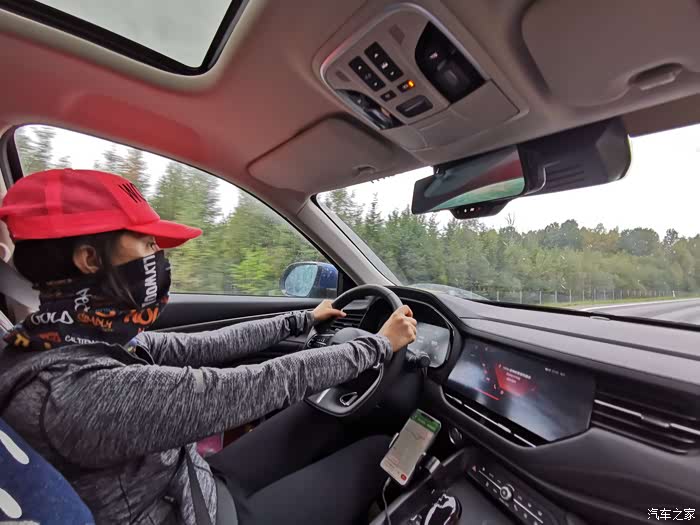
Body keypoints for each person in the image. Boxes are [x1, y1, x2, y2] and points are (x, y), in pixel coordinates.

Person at [0, 169, 418, 524]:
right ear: (90, 259)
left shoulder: (63, 339)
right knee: (376, 451)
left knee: (317, 419)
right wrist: (377, 346)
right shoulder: (71, 392)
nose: (158, 257)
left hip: (185, 482)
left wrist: (302, 319)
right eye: (147, 244)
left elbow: (205, 345)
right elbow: (248, 387)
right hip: (193, 514)